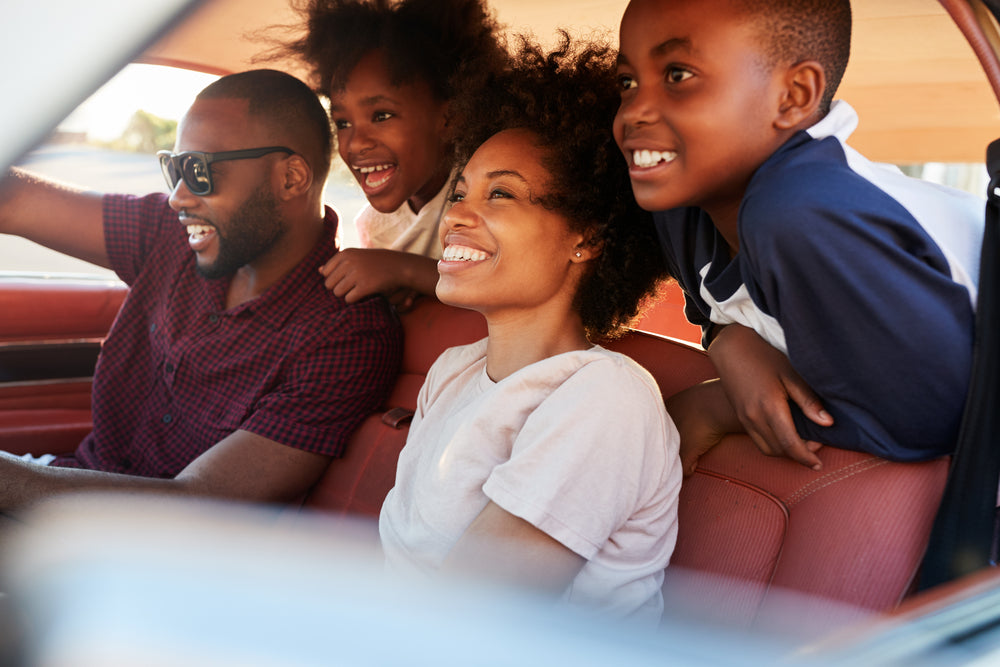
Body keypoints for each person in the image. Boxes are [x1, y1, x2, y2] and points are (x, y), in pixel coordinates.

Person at [0, 69, 402, 512]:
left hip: (142, 556)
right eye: (172, 168)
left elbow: (200, 502)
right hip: (65, 484)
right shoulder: (168, 234)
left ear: (291, 179)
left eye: (198, 171)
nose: (177, 196)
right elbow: (15, 200)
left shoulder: (346, 333)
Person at [378, 36, 680, 623]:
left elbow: (468, 623)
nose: (457, 214)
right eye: (460, 191)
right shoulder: (452, 371)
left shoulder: (603, 397)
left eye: (501, 194)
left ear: (587, 237)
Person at [613, 0, 984, 474]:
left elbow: (935, 419)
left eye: (678, 75)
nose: (634, 111)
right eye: (627, 82)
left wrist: (715, 407)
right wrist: (728, 339)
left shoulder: (798, 211)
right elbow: (718, 307)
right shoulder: (684, 205)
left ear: (793, 95)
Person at [276, 0, 508, 310]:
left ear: (451, 118)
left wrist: (405, 270)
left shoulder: (491, 194)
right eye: (342, 123)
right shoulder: (375, 226)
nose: (355, 144)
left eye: (381, 116)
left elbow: (507, 286)